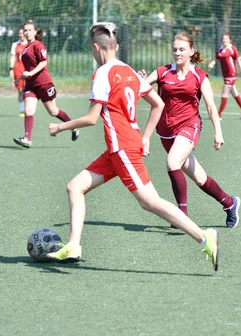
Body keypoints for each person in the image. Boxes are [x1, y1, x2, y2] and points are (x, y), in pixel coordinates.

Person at [45, 22, 220, 270]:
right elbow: (158, 103)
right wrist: (146, 136)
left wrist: (61, 127)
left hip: (122, 148)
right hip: (122, 146)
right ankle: (73, 244)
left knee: (150, 202)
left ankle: (204, 237)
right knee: (75, 187)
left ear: (96, 48)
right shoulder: (127, 70)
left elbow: (92, 118)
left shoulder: (102, 73)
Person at [139, 32, 241, 229]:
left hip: (189, 126)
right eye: (175, 49)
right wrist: (140, 80)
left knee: (172, 162)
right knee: (200, 178)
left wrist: (217, 132)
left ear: (191, 51)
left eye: (182, 49)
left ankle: (181, 215)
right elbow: (140, 88)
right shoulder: (162, 72)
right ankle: (229, 203)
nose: (177, 53)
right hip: (166, 131)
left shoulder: (199, 76)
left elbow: (211, 106)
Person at [13, 20, 78, 148]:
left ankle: (73, 126)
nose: (27, 32)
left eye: (29, 30)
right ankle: (27, 139)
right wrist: (19, 78)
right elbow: (27, 69)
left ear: (35, 32)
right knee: (28, 110)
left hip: (43, 83)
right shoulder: (25, 49)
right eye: (25, 30)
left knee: (53, 111)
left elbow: (43, 63)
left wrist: (31, 73)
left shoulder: (38, 45)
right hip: (30, 85)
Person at [207, 33, 241, 120]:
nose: (224, 40)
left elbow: (239, 62)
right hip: (225, 75)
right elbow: (216, 58)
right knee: (235, 93)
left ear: (230, 40)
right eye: (223, 39)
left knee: (224, 93)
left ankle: (218, 115)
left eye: (226, 39)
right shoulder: (220, 48)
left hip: (231, 74)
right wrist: (212, 63)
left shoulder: (232, 48)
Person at [9, 27, 28, 118]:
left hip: (28, 69)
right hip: (18, 69)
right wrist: (11, 69)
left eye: (22, 33)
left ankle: (28, 109)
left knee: (28, 90)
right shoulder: (15, 44)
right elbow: (13, 57)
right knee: (20, 91)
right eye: (19, 33)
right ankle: (22, 111)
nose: (21, 35)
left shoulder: (30, 44)